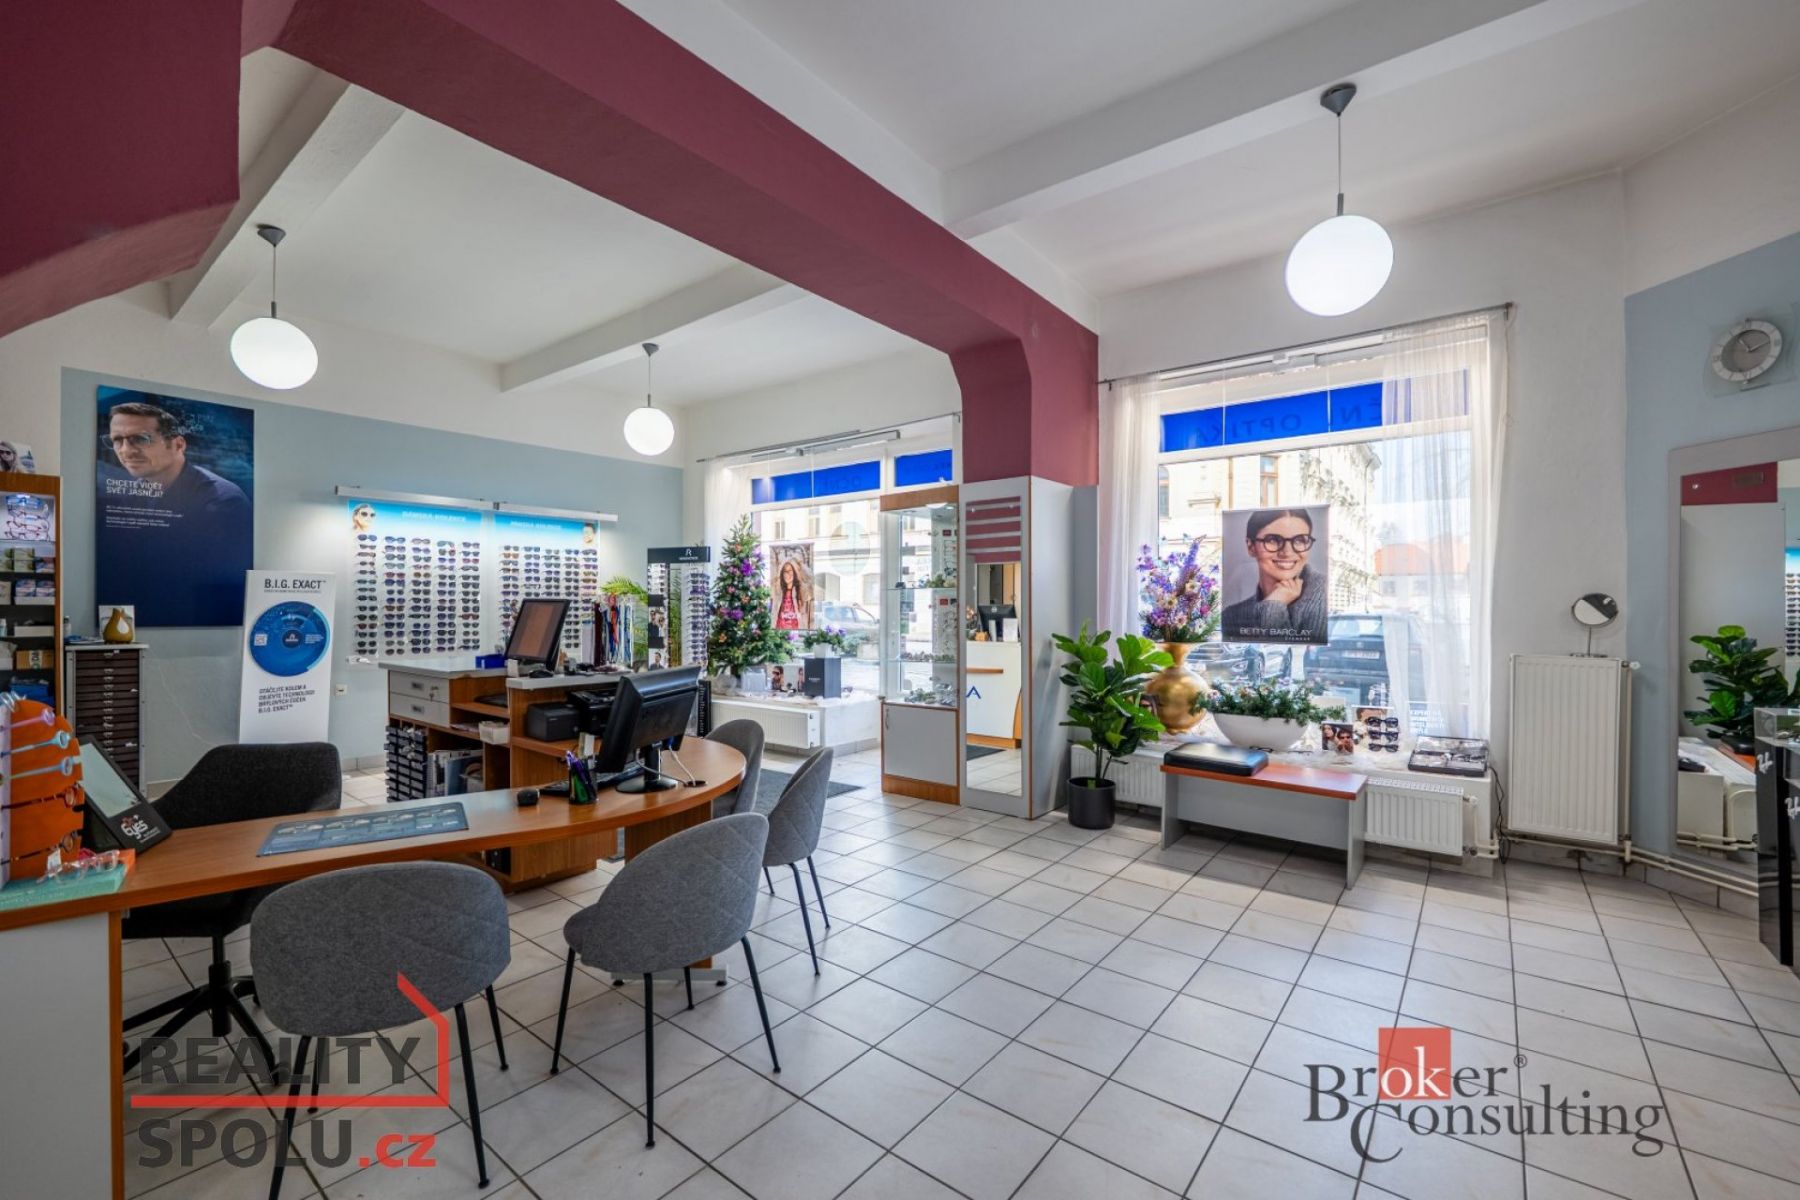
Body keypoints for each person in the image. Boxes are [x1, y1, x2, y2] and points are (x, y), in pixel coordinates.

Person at [97, 399, 252, 625]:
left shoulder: (223, 501)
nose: (126, 451)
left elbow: (211, 583)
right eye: (117, 440)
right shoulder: (132, 494)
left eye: (141, 439)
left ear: (178, 445)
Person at [1220, 508, 1327, 644]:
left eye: (1299, 540)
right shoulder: (1232, 615)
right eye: (1273, 540)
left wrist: (1273, 606)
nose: (1287, 553)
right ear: (1251, 546)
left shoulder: (1323, 594)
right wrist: (1276, 600)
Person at [773, 557, 808, 631]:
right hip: (781, 629)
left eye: (790, 571)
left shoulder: (800, 590)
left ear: (794, 572)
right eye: (785, 571)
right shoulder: (779, 592)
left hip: (796, 629)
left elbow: (808, 580)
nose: (787, 574)